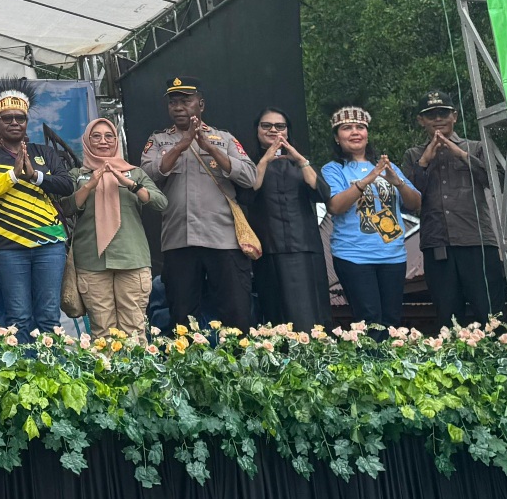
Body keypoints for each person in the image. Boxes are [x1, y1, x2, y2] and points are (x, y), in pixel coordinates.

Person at [140, 77, 258, 328]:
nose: (179, 107)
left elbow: (250, 177)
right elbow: (146, 176)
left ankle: (236, 364)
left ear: (201, 105)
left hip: (223, 239)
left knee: (236, 313)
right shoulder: (159, 140)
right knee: (182, 316)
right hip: (179, 239)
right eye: (173, 102)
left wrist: (211, 149)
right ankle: (189, 365)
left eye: (186, 101)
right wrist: (181, 146)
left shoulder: (224, 138)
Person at [0, 79, 73, 333]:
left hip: (49, 244)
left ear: (27, 122)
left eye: (20, 118)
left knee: (49, 317)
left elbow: (66, 185)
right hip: (9, 247)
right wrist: (12, 176)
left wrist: (35, 176)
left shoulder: (44, 153)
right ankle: (22, 372)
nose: (15, 122)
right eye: (7, 118)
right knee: (18, 319)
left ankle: (50, 372)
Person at [403, 91, 507, 328]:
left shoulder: (476, 146)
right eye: (431, 115)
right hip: (437, 244)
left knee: (490, 314)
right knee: (448, 318)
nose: (438, 119)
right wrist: (424, 162)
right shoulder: (413, 155)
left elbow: (496, 180)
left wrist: (459, 153)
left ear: (455, 116)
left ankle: (500, 361)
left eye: (443, 113)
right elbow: (409, 199)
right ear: (422, 120)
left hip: (476, 241)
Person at [323, 105, 420, 327]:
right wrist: (368, 179)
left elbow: (415, 203)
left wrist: (398, 182)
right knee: (369, 319)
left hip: (393, 254)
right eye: (347, 128)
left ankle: (391, 361)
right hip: (353, 255)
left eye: (360, 127)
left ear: (367, 135)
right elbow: (335, 206)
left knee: (393, 320)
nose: (355, 132)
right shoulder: (334, 169)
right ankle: (372, 361)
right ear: (337, 138)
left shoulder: (388, 166)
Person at [68, 116, 165, 338]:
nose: (103, 141)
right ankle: (108, 374)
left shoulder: (135, 172)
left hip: (131, 258)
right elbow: (66, 207)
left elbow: (160, 203)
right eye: (96, 136)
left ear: (116, 141)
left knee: (134, 330)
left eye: (109, 136)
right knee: (103, 332)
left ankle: (136, 374)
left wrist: (128, 183)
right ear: (87, 141)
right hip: (92, 260)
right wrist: (91, 183)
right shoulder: (77, 175)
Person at [247, 109, 331, 330]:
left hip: (304, 246)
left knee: (311, 313)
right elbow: (248, 192)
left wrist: (301, 160)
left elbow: (322, 193)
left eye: (279, 126)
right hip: (269, 247)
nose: (273, 130)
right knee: (278, 312)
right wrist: (266, 158)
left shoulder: (300, 163)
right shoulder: (249, 162)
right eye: (266, 126)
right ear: (257, 131)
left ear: (288, 130)